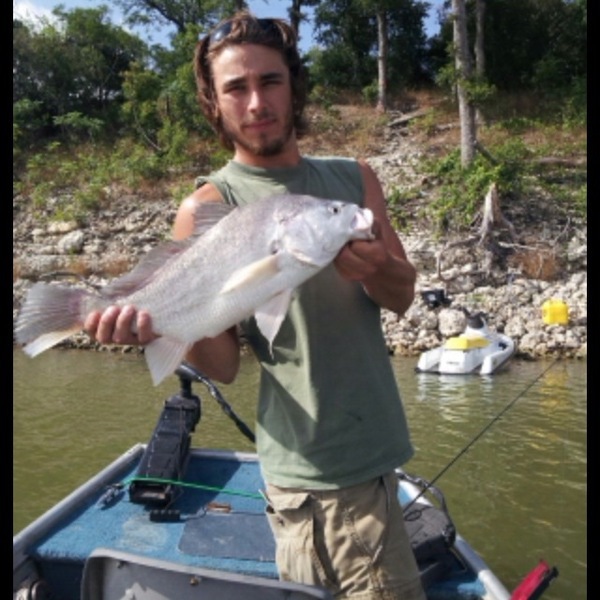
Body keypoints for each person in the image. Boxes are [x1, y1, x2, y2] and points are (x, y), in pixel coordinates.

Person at [84, 10, 425, 600]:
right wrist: (157, 327)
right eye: (236, 88)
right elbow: (223, 366)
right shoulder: (205, 205)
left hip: (377, 458)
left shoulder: (354, 181)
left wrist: (378, 267)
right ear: (214, 104)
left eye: (270, 81)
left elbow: (402, 296)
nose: (257, 102)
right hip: (306, 477)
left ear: (294, 86)